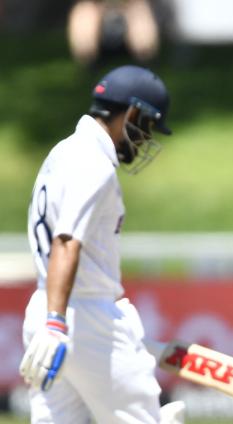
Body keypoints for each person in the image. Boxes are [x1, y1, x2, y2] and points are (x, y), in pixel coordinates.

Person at [19, 65, 183, 423]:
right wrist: (57, 323)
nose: (144, 139)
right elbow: (66, 239)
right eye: (147, 126)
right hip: (83, 317)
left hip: (47, 305)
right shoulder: (94, 163)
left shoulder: (63, 151)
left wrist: (51, 322)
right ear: (134, 112)